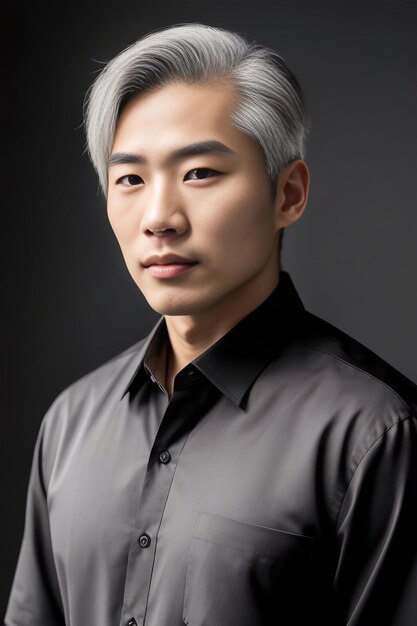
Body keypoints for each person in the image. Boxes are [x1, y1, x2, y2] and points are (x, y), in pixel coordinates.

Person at [5, 23, 417, 626]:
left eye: (199, 172)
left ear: (289, 194)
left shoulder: (375, 435)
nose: (159, 218)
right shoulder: (70, 422)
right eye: (130, 179)